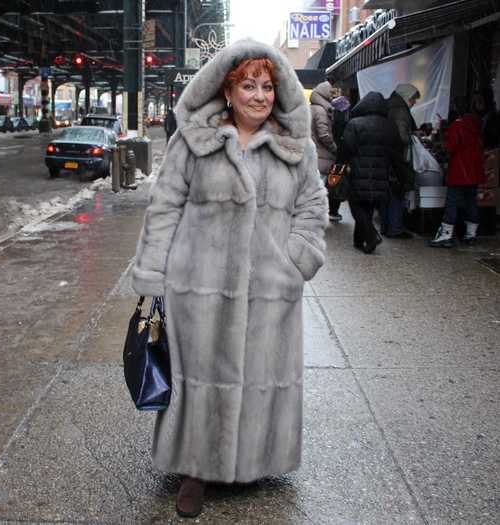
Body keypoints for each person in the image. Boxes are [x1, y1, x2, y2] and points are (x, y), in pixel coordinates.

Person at [131, 39, 328, 518]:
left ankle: (254, 459)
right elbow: (164, 208)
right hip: (197, 290)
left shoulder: (294, 149)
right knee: (199, 377)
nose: (259, 96)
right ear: (227, 89)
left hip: (269, 292)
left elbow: (313, 208)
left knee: (261, 373)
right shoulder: (193, 142)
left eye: (266, 86)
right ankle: (196, 470)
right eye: (248, 85)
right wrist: (154, 274)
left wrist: (294, 261)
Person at [340, 92, 402, 254]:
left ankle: (371, 236)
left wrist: (341, 165)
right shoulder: (390, 126)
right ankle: (359, 240)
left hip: (357, 171)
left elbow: (346, 148)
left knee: (356, 205)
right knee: (368, 206)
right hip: (381, 173)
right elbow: (397, 152)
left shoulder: (355, 124)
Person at [429, 96, 484, 247]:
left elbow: (450, 146)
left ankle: (446, 234)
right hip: (474, 170)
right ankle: (471, 234)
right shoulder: (476, 124)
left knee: (452, 201)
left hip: (460, 169)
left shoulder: (458, 126)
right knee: (471, 201)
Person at [383, 83, 420, 239]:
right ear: (406, 97)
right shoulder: (400, 110)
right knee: (397, 191)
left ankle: (387, 226)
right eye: (412, 99)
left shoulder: (390, 105)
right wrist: (413, 138)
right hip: (398, 157)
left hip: (388, 156)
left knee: (388, 193)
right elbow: (402, 136)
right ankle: (395, 228)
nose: (414, 103)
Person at [310, 80, 340, 221]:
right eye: (331, 93)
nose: (333, 96)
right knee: (318, 190)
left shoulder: (313, 108)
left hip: (314, 155)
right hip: (321, 156)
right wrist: (335, 148)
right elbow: (323, 135)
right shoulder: (321, 110)